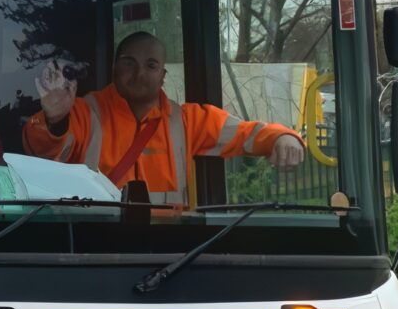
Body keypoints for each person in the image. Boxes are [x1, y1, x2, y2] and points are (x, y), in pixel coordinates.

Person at [22, 30, 304, 208]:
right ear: (115, 67)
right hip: (96, 252)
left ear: (162, 75)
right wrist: (54, 119)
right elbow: (40, 152)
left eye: (151, 65)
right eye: (129, 62)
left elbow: (247, 133)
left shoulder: (187, 121)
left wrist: (283, 137)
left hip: (169, 254)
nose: (139, 73)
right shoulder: (85, 111)